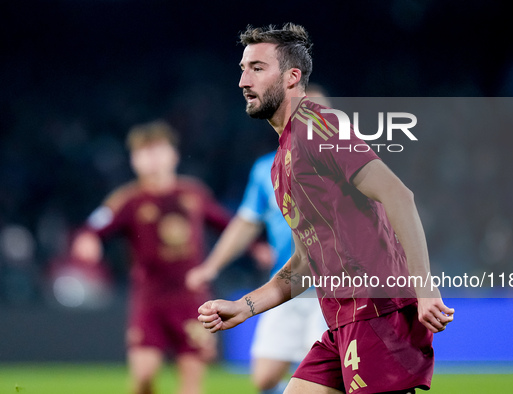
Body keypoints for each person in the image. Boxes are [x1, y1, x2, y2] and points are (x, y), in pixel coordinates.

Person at [198, 24, 454, 394]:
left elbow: (399, 196)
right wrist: (245, 307)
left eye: (256, 68)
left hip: (379, 313)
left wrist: (424, 287)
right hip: (343, 319)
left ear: (292, 77)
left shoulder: (321, 125)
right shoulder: (280, 163)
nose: (242, 80)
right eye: (242, 68)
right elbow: (304, 264)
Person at [186, 84, 330, 394]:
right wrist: (211, 266)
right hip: (285, 280)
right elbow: (246, 223)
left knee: (319, 376)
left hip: (330, 287)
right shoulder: (267, 168)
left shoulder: (340, 165)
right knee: (264, 378)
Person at [71, 120, 231, 394]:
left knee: (191, 382)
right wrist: (88, 238)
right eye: (144, 153)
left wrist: (256, 247)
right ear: (134, 160)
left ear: (173, 155)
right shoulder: (127, 200)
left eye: (157, 150)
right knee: (143, 377)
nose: (152, 159)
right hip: (149, 300)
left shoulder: (193, 193)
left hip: (191, 297)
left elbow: (228, 225)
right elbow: (95, 226)